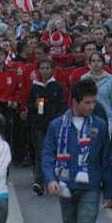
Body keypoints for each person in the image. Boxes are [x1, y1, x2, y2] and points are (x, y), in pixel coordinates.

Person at [42, 78, 112, 223]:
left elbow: (105, 160)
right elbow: (47, 155)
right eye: (87, 103)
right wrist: (50, 179)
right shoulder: (56, 126)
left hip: (90, 188)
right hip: (65, 187)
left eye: (94, 102)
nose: (92, 107)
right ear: (74, 102)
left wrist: (110, 191)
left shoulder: (99, 126)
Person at [26, 58, 65, 195]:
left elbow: (62, 106)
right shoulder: (34, 87)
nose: (45, 71)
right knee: (41, 152)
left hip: (53, 125)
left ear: (52, 70)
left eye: (47, 68)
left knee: (53, 153)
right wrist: (34, 105)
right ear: (38, 70)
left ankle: (52, 180)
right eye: (42, 68)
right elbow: (28, 106)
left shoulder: (57, 86)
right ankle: (39, 181)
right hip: (38, 125)